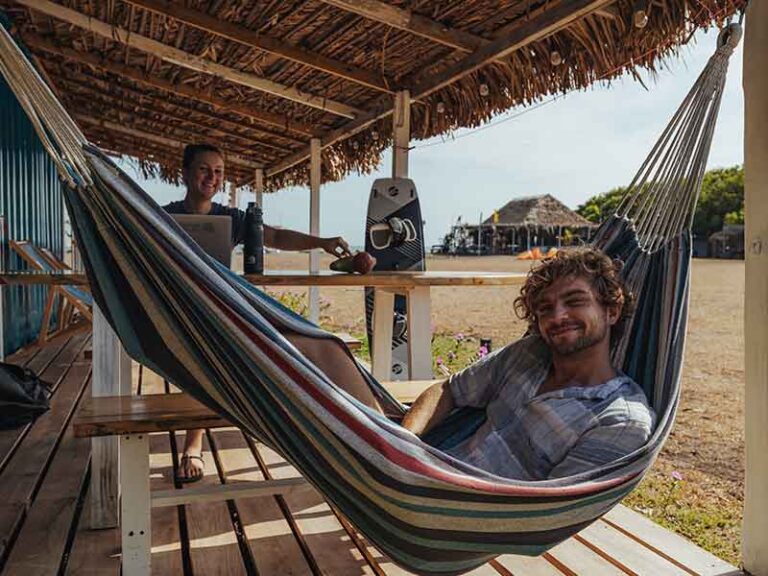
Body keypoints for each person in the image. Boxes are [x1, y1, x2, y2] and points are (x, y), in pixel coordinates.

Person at [166, 143, 354, 483]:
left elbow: (277, 235)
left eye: (219, 171)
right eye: (204, 169)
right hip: (178, 306)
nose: (212, 177)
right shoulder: (163, 215)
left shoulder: (232, 218)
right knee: (203, 353)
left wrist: (322, 242)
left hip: (217, 306)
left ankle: (201, 441)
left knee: (227, 349)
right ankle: (195, 444)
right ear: (185, 173)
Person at [400, 248, 656, 480]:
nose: (558, 317)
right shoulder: (529, 353)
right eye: (545, 308)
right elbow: (447, 391)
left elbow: (552, 510)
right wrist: (401, 445)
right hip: (425, 473)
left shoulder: (619, 420)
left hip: (469, 516)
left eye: (575, 301)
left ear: (612, 311)